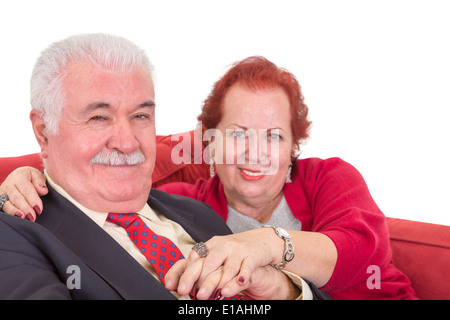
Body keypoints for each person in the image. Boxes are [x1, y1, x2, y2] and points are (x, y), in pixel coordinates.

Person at [1, 55, 417, 299]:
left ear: (293, 145)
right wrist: (31, 174)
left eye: (274, 136)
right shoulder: (189, 202)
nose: (255, 152)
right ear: (210, 142)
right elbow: (104, 184)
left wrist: (268, 244)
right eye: (238, 134)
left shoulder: (328, 178)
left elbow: (362, 257)